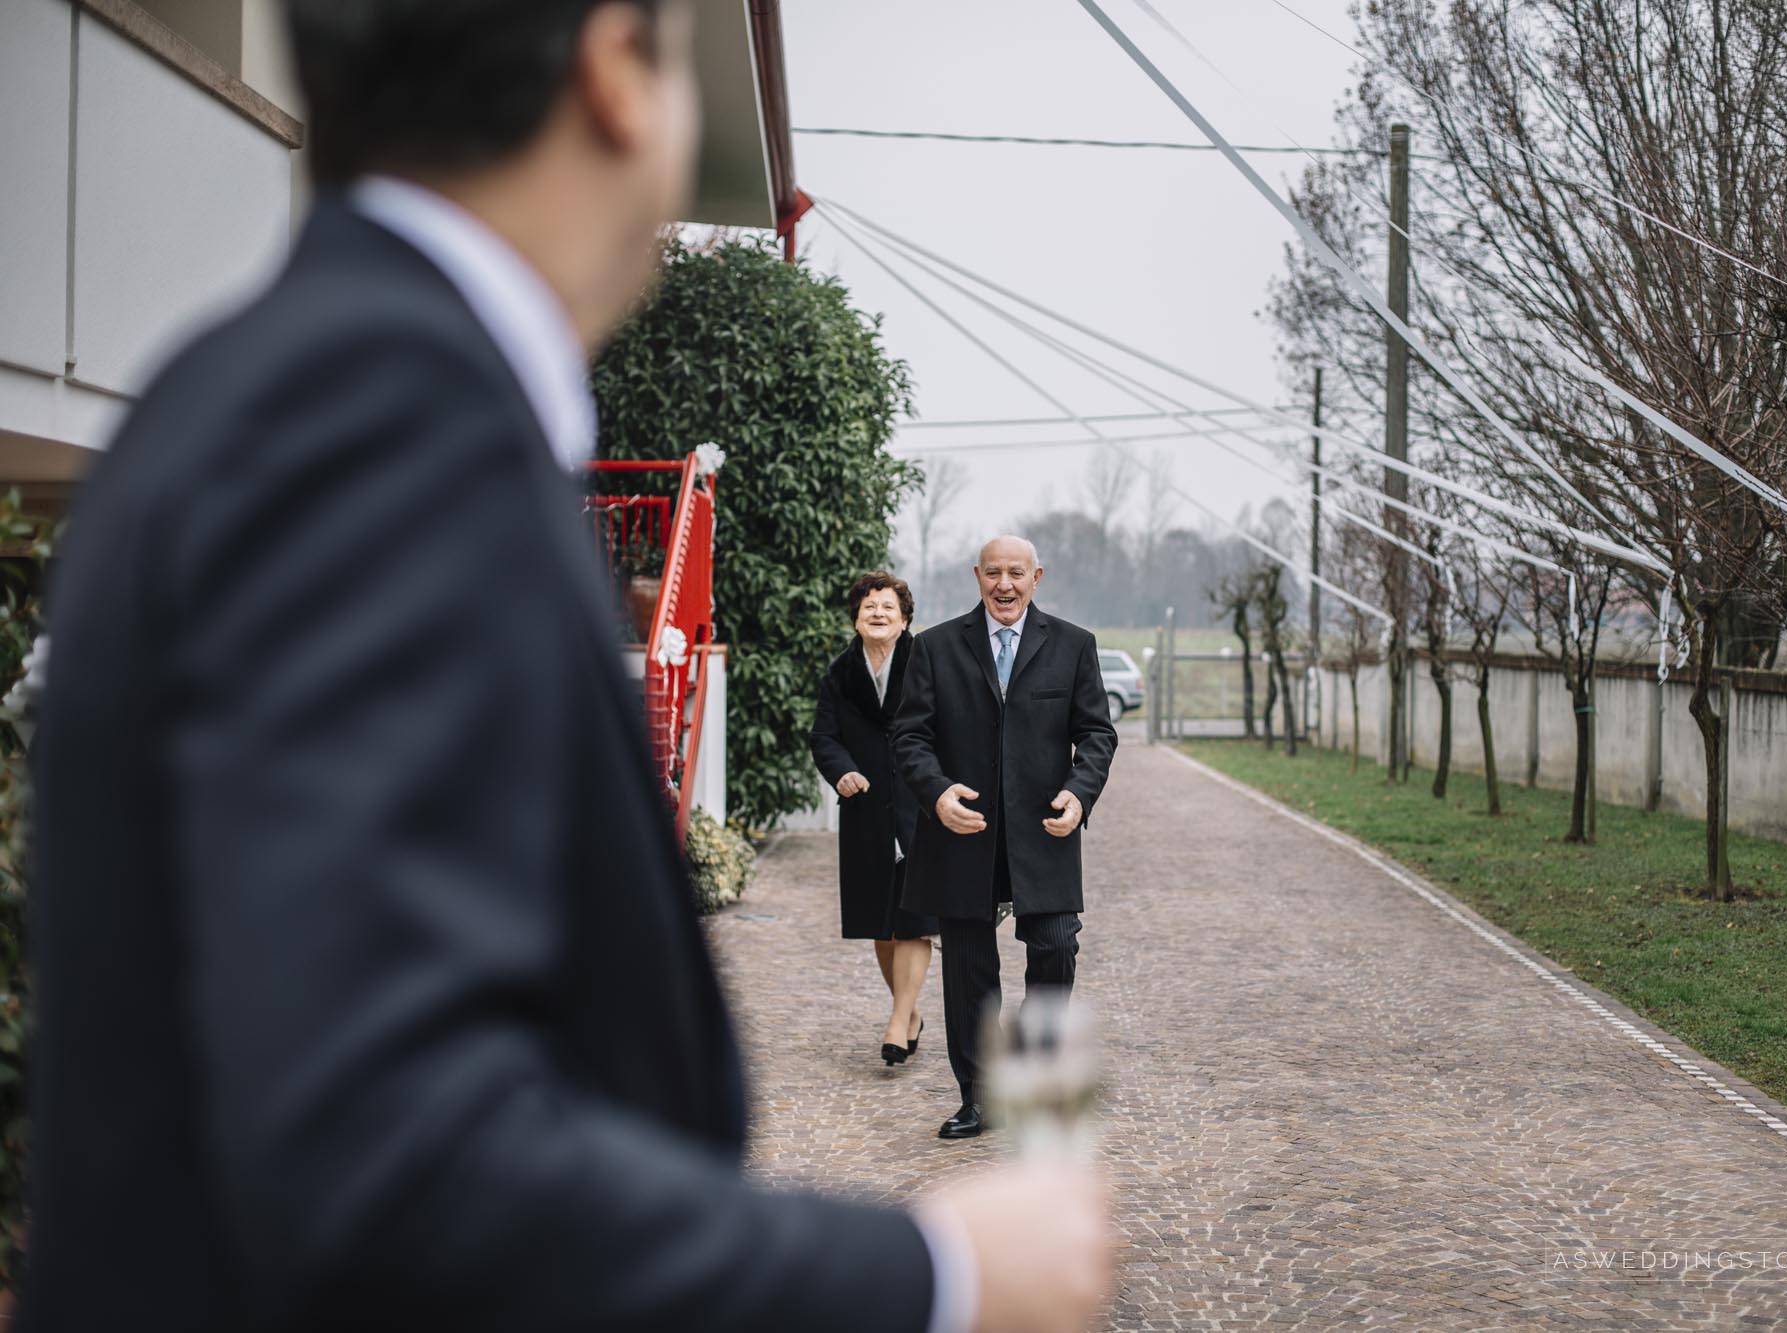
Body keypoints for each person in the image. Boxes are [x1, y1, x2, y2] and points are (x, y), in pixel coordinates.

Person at [22, 3, 1108, 1329]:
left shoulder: (276, 390)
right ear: (612, 70)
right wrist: (934, 1280)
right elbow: (382, 1160)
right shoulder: (378, 426)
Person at [894, 536, 1119, 1140]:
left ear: (1036, 576)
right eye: (993, 573)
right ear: (977, 576)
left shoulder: (1073, 646)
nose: (1004, 584)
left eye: (1015, 573)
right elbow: (909, 737)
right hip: (959, 835)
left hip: (1043, 833)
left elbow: (1096, 734)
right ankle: (979, 1097)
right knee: (969, 970)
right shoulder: (935, 647)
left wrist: (1080, 791)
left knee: (1056, 945)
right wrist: (938, 794)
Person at [811, 572, 937, 1065]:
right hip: (866, 811)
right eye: (869, 608)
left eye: (888, 607)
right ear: (856, 618)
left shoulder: (926, 664)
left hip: (919, 806)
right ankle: (911, 1013)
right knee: (882, 927)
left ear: (905, 619)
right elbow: (824, 736)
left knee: (915, 922)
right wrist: (842, 772)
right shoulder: (841, 673)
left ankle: (897, 1019)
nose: (878, 614)